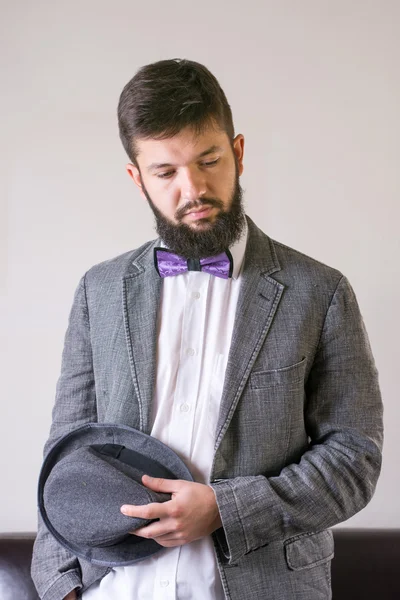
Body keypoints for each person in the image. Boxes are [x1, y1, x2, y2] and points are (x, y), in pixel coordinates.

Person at [31, 58, 383, 600]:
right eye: (166, 172)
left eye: (209, 160)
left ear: (238, 153)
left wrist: (226, 510)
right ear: (137, 178)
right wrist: (61, 587)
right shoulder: (97, 291)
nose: (192, 189)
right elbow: (65, 452)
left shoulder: (321, 291)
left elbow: (354, 457)